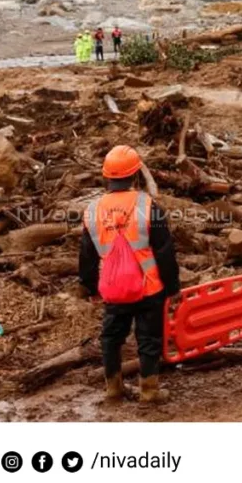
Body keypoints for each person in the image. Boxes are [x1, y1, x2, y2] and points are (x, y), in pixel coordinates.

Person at [79, 146, 181, 404]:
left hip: (113, 290)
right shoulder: (148, 206)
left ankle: (113, 388)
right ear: (136, 175)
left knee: (111, 338)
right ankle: (149, 391)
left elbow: (86, 256)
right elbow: (165, 252)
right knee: (148, 339)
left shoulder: (92, 211)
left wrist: (90, 288)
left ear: (107, 177)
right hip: (149, 289)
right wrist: (173, 288)